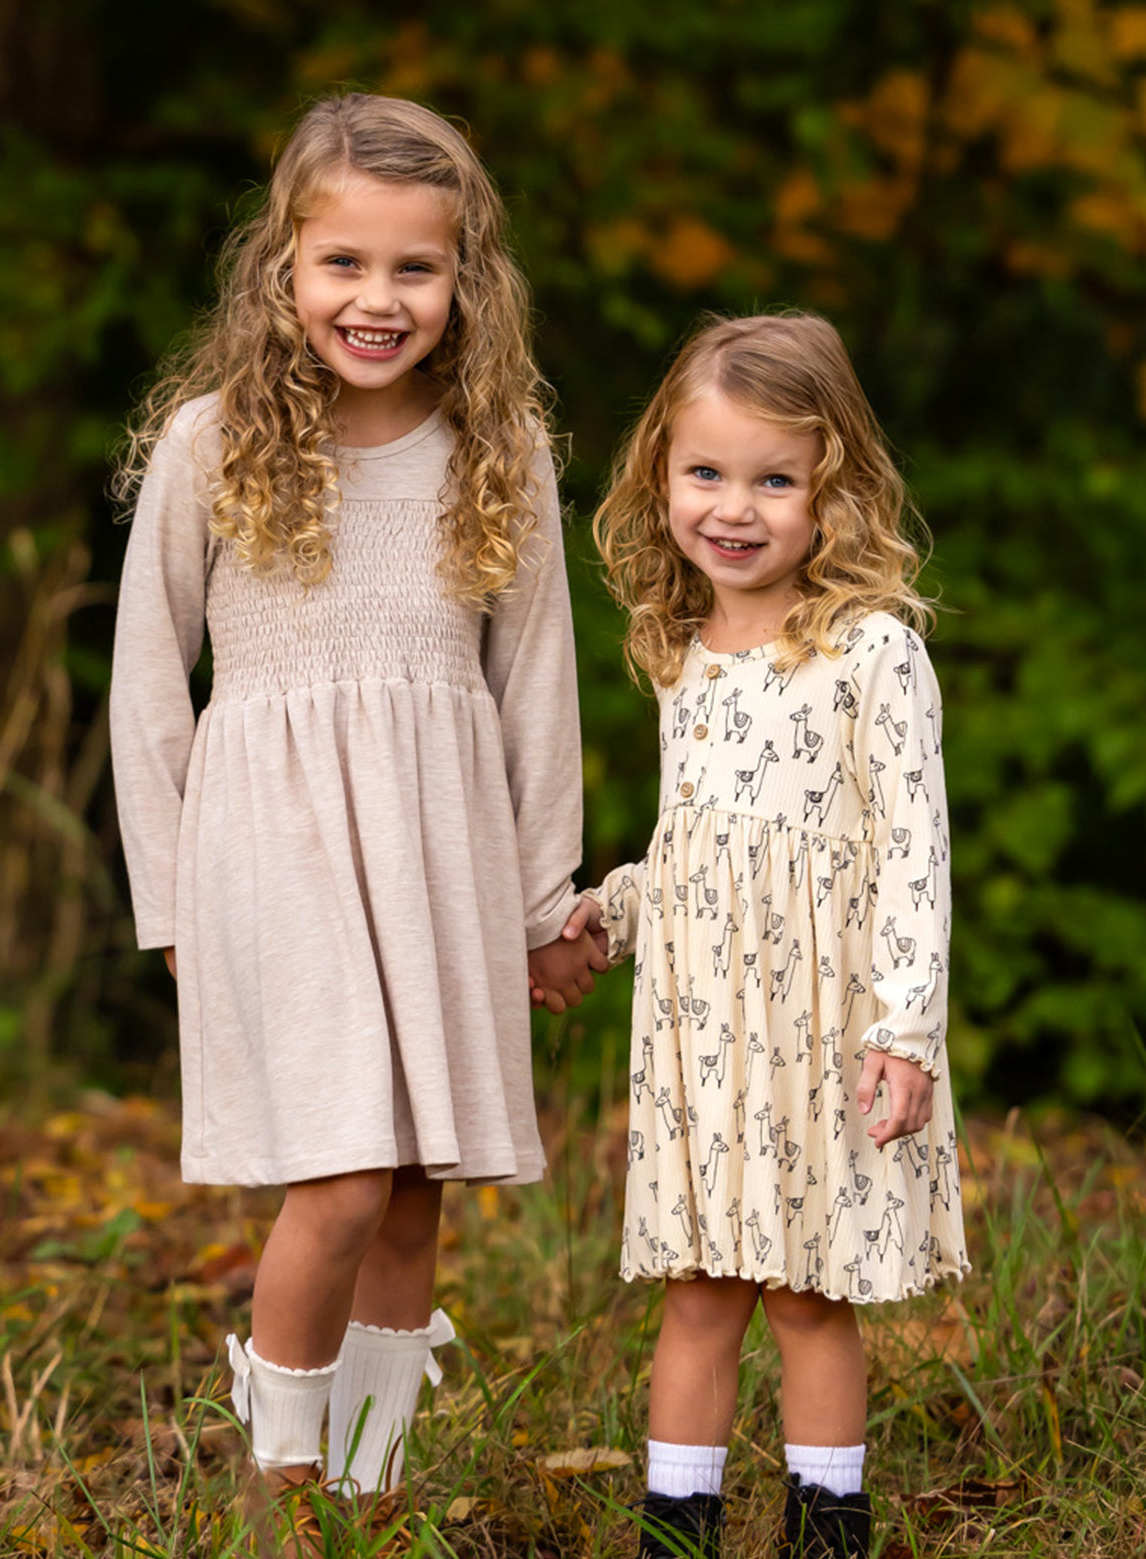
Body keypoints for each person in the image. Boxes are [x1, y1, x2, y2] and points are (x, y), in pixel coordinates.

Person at [110, 92, 604, 1553]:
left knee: (405, 1184)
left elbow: (536, 691)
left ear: (466, 280)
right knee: (331, 1175)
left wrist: (538, 895)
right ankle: (281, 1494)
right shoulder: (215, 445)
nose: (378, 300)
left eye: (415, 268)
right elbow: (148, 680)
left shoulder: (495, 444)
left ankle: (380, 1491)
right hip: (272, 852)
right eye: (345, 264)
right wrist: (173, 904)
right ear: (285, 266)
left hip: (438, 851)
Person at [545, 313, 969, 1559]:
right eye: (708, 473)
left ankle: (825, 1534)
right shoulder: (682, 650)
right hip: (704, 1036)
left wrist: (903, 1026)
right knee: (698, 1288)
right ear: (662, 474)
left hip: (825, 1030)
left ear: (834, 490)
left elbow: (913, 853)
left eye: (775, 480)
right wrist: (613, 909)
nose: (735, 508)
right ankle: (675, 1534)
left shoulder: (872, 650)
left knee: (805, 1292)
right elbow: (698, 842)